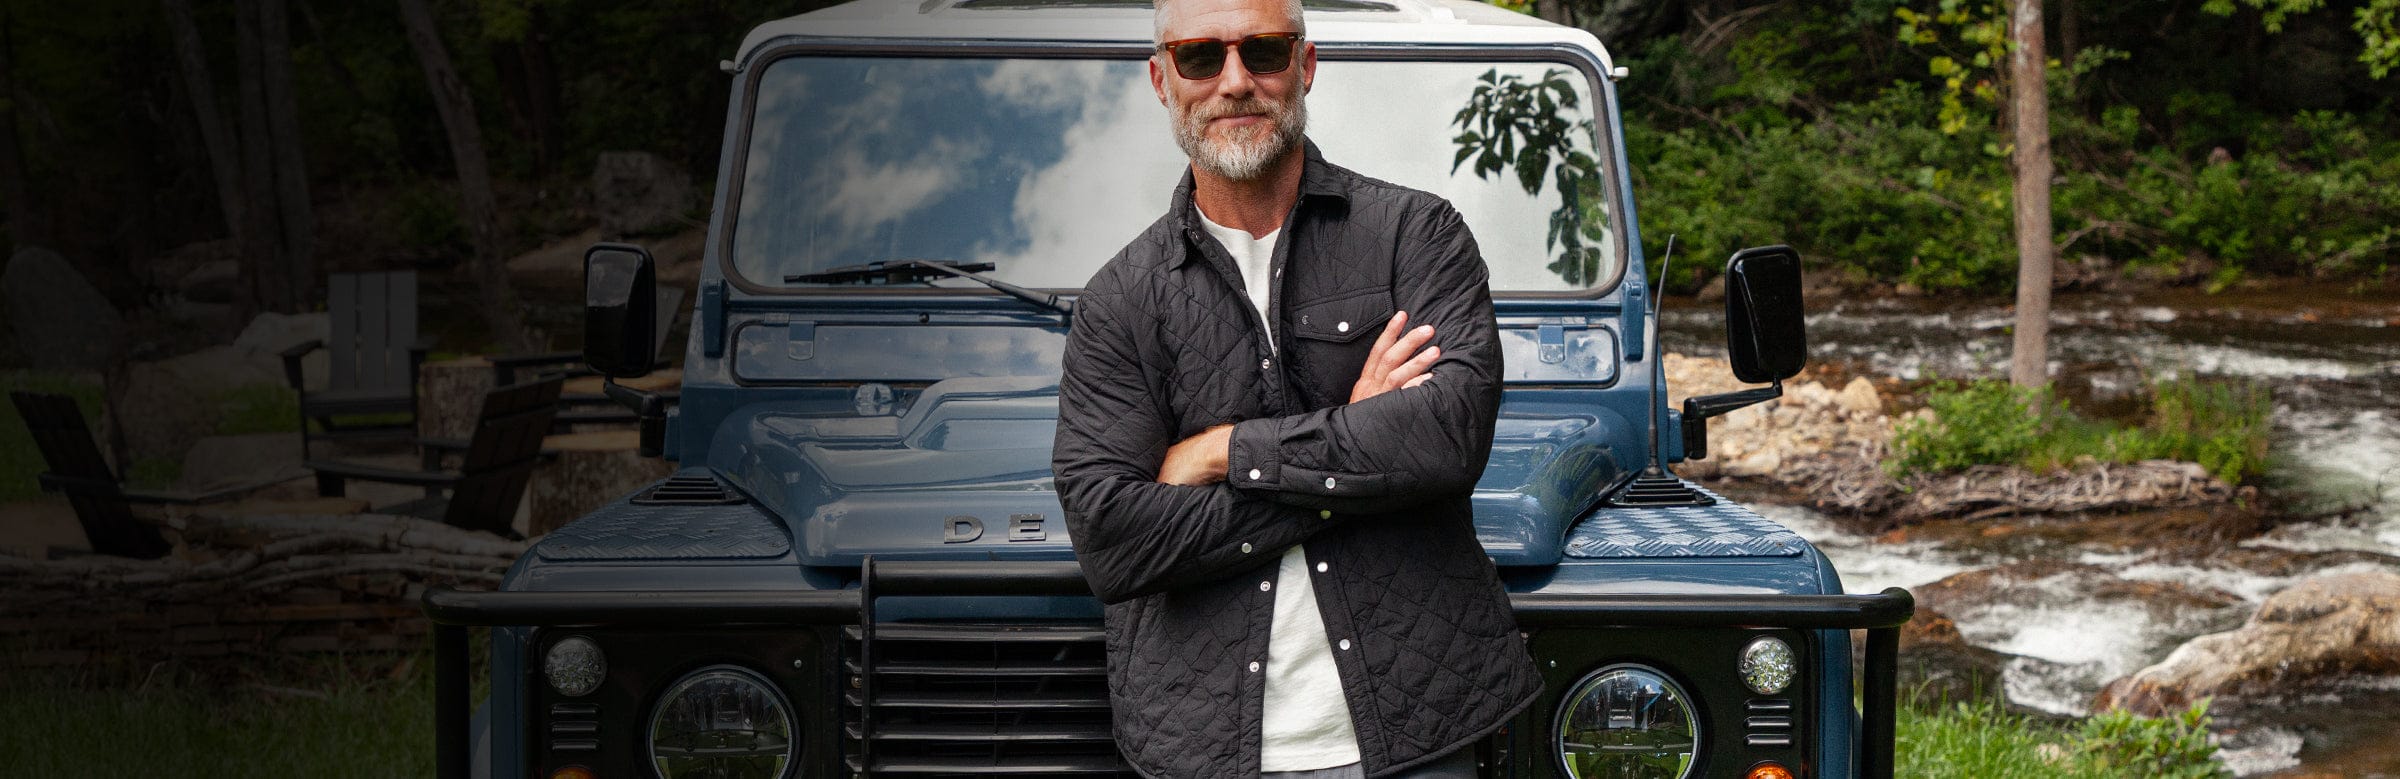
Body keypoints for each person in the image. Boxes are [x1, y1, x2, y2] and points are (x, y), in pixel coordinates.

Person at [1050, 0, 1541, 775]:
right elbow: (1113, 541)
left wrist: (1222, 450)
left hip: (1421, 729)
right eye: (1201, 56)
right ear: (1161, 79)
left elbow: (1447, 435)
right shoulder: (1119, 301)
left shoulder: (1416, 235)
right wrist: (1357, 442)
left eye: (1264, 51)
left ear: (1305, 65)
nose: (1235, 81)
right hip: (1202, 749)